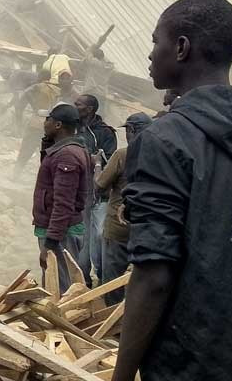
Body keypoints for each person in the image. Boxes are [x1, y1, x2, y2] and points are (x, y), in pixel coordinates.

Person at [114, 0, 232, 381]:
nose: (151, 55)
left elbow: (154, 276)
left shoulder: (166, 139)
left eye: (156, 42)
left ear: (181, 48)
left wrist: (120, 376)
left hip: (194, 363)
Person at [94, 112, 151, 303]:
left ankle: (111, 323)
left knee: (112, 278)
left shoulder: (123, 154)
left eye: (127, 130)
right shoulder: (159, 154)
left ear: (132, 130)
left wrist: (97, 166)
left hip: (118, 227)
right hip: (147, 227)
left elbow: (100, 185)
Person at [33, 103, 89, 294]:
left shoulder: (66, 156)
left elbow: (63, 203)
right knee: (53, 284)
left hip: (59, 233)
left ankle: (62, 323)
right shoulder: (64, 150)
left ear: (58, 125)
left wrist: (51, 240)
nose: (44, 122)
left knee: (61, 289)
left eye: (48, 119)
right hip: (57, 231)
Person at [74, 93, 117, 288]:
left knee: (100, 235)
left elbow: (110, 163)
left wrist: (96, 161)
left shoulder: (105, 132)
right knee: (82, 238)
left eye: (79, 104)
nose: (75, 106)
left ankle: (103, 277)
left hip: (99, 195)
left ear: (90, 109)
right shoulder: (73, 128)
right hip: (80, 193)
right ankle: (83, 281)